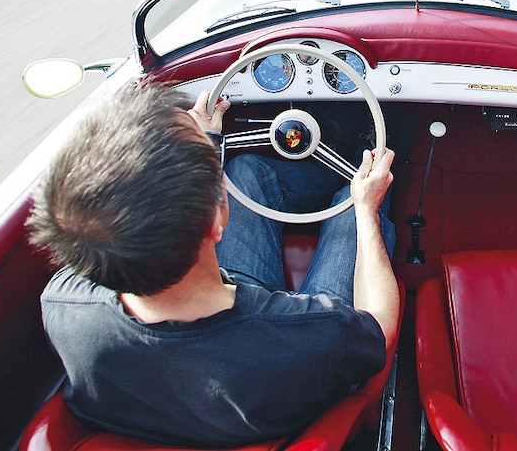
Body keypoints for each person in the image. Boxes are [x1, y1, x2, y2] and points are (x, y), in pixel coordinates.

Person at [27, 80, 399, 448]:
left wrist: (205, 140)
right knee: (348, 207)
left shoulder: (64, 304)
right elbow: (379, 329)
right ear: (218, 220)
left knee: (247, 171)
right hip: (286, 370)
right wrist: (365, 209)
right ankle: (358, 164)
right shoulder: (318, 333)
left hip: (245, 371)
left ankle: (345, 167)